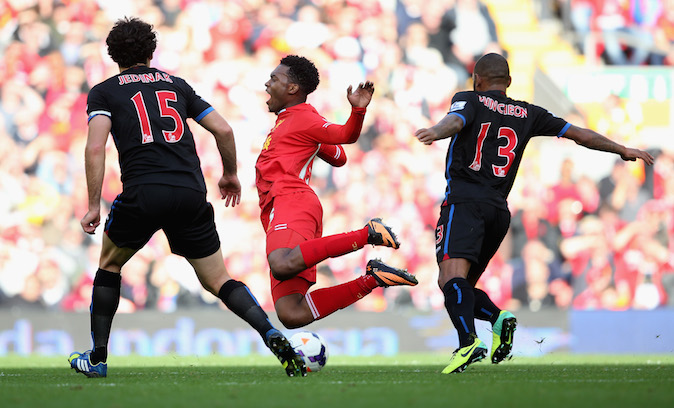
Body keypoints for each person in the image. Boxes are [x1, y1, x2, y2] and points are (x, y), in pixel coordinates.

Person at [69, 17, 306, 378]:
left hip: (144, 191)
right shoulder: (176, 85)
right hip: (189, 192)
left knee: (110, 265)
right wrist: (229, 174)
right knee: (219, 280)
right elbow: (223, 129)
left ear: (113, 54)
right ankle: (269, 332)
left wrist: (92, 204)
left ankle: (98, 358)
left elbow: (95, 146)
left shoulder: (104, 92)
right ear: (151, 51)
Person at [414, 53, 654, 374]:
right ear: (509, 83)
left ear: (477, 80)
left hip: (465, 202)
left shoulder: (468, 99)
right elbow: (579, 134)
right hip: (499, 213)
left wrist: (436, 130)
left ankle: (469, 342)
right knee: (462, 288)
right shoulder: (529, 113)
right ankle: (500, 320)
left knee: (450, 279)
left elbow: (455, 121)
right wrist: (622, 149)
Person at [256, 55, 418, 329]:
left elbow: (345, 136)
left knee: (281, 264)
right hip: (279, 206)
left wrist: (357, 112)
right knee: (291, 313)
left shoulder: (303, 117)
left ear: (292, 88)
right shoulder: (291, 121)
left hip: (291, 200)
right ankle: (373, 278)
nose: (267, 84)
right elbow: (339, 156)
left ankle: (369, 233)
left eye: (274, 79)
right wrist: (316, 144)